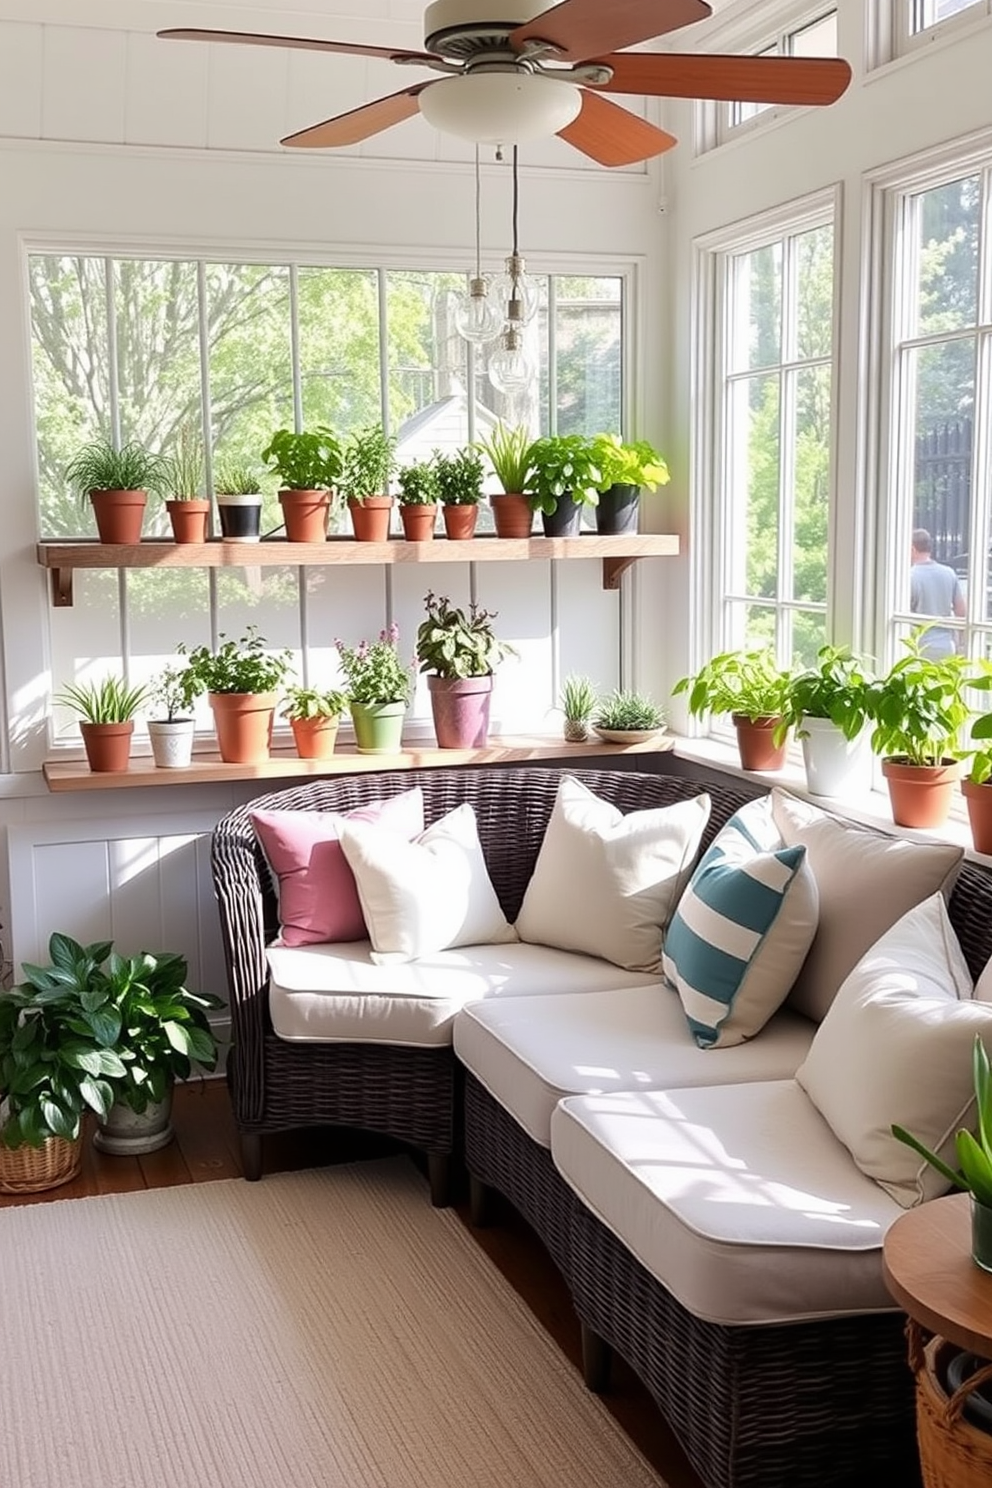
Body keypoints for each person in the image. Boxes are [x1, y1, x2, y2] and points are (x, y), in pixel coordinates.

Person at [910, 528, 965, 658]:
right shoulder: (949, 573)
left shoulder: (909, 576)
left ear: (912, 548)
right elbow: (961, 611)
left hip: (919, 647)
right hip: (946, 645)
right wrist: (961, 642)